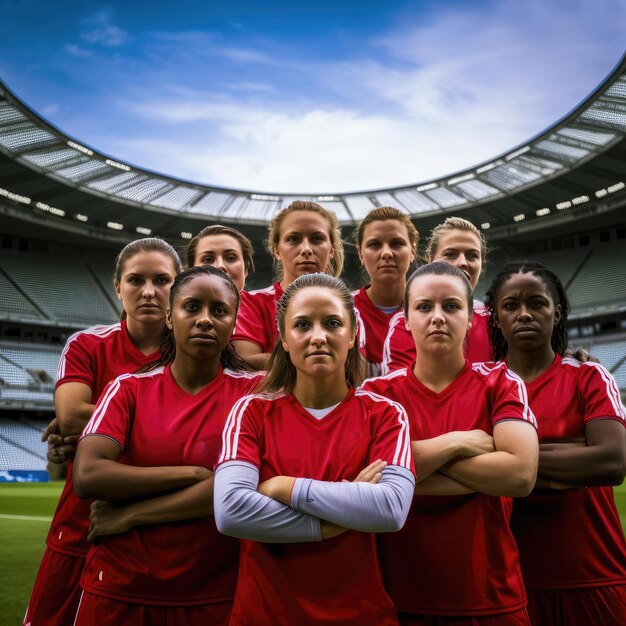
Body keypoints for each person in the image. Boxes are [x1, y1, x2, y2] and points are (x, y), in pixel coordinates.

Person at [214, 273, 415, 626]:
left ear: (353, 335)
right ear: (284, 339)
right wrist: (341, 517)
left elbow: (390, 509)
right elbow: (231, 511)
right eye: (303, 325)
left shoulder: (385, 414)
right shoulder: (251, 412)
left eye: (332, 323)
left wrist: (282, 487)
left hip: (362, 616)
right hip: (264, 616)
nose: (318, 337)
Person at [71, 266, 262, 625]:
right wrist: (191, 474)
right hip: (117, 589)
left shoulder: (255, 394)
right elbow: (88, 474)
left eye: (219, 311)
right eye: (192, 307)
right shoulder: (127, 388)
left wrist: (130, 514)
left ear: (234, 323)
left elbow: (246, 486)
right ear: (170, 318)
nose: (205, 319)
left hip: (215, 595)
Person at [364, 262, 539, 625]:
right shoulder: (376, 394)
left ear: (471, 319)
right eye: (425, 307)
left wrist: (408, 472)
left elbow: (520, 475)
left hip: (492, 599)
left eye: (451, 306)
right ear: (406, 320)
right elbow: (367, 483)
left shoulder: (501, 382)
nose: (438, 317)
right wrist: (458, 442)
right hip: (397, 600)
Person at [24, 238, 181, 626]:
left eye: (161, 280)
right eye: (135, 280)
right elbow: (74, 416)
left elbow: (85, 423)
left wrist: (102, 432)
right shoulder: (88, 344)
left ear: (178, 287)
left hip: (162, 535)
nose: (148, 291)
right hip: (80, 524)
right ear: (117, 286)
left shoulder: (195, 352)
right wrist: (175, 427)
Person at [485, 261, 626, 626]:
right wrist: (574, 451)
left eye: (537, 303)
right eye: (511, 306)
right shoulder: (481, 387)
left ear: (557, 312)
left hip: (594, 576)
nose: (525, 314)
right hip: (509, 587)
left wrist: (512, 462)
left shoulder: (588, 376)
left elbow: (612, 462)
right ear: (496, 318)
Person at [231, 200, 344, 370]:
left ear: (331, 250)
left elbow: (355, 367)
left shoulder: (349, 305)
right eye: (294, 239)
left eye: (317, 239)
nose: (306, 249)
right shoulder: (252, 302)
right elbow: (244, 360)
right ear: (276, 250)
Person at [382, 216, 491, 372]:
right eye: (451, 254)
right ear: (431, 261)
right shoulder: (406, 325)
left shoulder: (493, 321)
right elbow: (403, 390)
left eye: (472, 255)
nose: (463, 262)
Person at [353, 206, 418, 377]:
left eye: (397, 243)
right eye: (374, 244)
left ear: (413, 251)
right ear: (360, 254)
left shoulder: (433, 312)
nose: (387, 253)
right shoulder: (342, 309)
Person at [184, 224, 255, 293]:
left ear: (246, 269)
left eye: (230, 258)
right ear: (191, 272)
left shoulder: (263, 303)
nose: (220, 266)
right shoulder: (176, 304)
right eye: (208, 259)